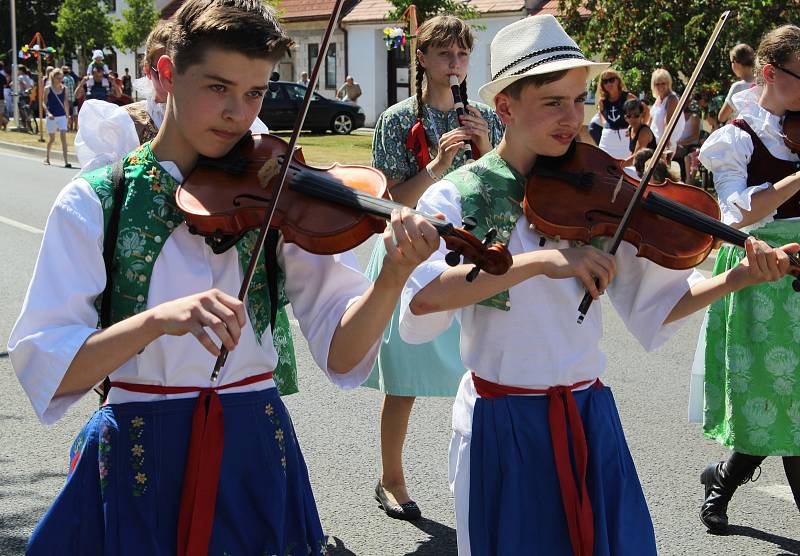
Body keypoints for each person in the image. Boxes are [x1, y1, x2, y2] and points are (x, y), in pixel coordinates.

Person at [7, 0, 439, 553]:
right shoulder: (97, 201)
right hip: (141, 453)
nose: (239, 114)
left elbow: (342, 353)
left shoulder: (280, 194)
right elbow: (48, 369)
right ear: (166, 76)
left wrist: (390, 281)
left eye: (254, 93)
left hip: (253, 446)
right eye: (217, 88)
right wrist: (156, 322)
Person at [396, 15, 798, 555]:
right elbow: (424, 298)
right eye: (553, 102)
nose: (572, 118)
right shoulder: (460, 195)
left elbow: (662, 304)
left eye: (579, 99)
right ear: (507, 108)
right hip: (502, 420)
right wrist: (542, 261)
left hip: (589, 413)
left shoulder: (600, 197)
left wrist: (739, 275)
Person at [365, 14, 504, 521]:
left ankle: (475, 474)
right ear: (421, 58)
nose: (455, 65)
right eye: (445, 54)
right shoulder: (398, 120)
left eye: (463, 55)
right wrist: (435, 170)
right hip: (410, 254)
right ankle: (391, 478)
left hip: (470, 253)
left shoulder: (484, 117)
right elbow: (384, 203)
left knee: (481, 371)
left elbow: (503, 189)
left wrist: (488, 150)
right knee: (403, 380)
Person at [691, 24, 800, 533]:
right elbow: (735, 216)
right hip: (764, 275)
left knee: (787, 402)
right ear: (771, 73)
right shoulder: (735, 138)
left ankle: (722, 478)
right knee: (780, 399)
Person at [596, 68, 640, 159]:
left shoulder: (628, 97)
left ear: (618, 81)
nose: (608, 84)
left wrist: (636, 127)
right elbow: (601, 113)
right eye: (605, 81)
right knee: (604, 165)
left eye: (611, 80)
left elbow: (644, 111)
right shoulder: (602, 101)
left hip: (625, 138)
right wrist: (604, 123)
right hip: (607, 140)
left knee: (626, 168)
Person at [650, 68, 685, 156]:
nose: (660, 86)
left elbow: (668, 123)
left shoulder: (672, 99)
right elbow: (651, 121)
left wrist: (665, 145)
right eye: (657, 84)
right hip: (654, 143)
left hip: (665, 144)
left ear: (668, 83)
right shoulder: (658, 99)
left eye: (663, 83)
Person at [718, 43, 756, 124]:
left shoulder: (738, 87)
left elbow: (722, 117)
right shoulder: (761, 83)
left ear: (736, 63)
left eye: (731, 62)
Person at [43, 69, 72, 168]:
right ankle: (47, 158)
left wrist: (67, 116)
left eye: (61, 78)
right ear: (53, 78)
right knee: (52, 138)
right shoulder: (48, 88)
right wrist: (48, 113)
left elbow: (66, 102)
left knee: (63, 137)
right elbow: (44, 103)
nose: (60, 80)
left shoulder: (65, 89)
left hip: (61, 116)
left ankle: (66, 161)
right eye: (58, 78)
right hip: (51, 116)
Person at [621, 98, 656, 167]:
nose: (632, 119)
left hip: (650, 170)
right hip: (639, 168)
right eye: (629, 116)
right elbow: (633, 154)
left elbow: (636, 157)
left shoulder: (644, 132)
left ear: (642, 115)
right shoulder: (631, 129)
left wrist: (619, 165)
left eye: (636, 115)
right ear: (625, 118)